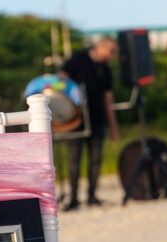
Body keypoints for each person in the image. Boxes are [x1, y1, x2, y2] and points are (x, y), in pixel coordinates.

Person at [59, 37, 121, 210]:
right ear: (101, 47)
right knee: (74, 160)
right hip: (75, 120)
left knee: (96, 159)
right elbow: (61, 78)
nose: (112, 55)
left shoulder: (106, 70)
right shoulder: (79, 59)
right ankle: (73, 198)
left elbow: (108, 99)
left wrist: (114, 127)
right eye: (111, 51)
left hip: (96, 120)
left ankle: (92, 196)